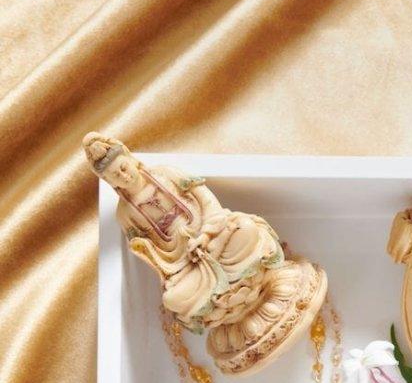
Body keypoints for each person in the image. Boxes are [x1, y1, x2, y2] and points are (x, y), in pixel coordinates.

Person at [83, 133, 284, 332]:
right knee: (172, 299)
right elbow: (152, 255)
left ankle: (224, 272)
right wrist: (175, 256)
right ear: (111, 183)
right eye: (116, 176)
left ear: (130, 158)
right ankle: (224, 287)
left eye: (123, 167)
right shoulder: (125, 214)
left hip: (215, 234)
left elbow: (207, 200)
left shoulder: (166, 173)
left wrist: (206, 235)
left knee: (246, 228)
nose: (124, 176)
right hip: (185, 262)